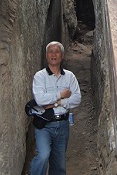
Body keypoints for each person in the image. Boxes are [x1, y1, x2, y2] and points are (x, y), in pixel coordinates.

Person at [29, 41, 82, 175]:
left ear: (62, 56)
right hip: (44, 125)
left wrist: (57, 103)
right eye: (50, 52)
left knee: (59, 165)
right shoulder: (39, 76)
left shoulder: (70, 77)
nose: (54, 54)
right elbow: (40, 100)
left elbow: (77, 99)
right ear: (46, 56)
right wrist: (61, 95)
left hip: (63, 124)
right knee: (43, 155)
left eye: (57, 51)